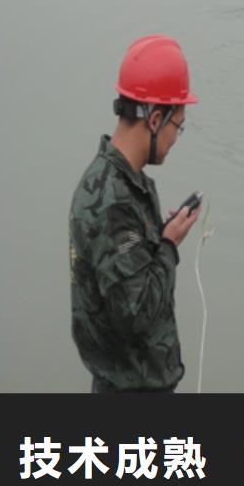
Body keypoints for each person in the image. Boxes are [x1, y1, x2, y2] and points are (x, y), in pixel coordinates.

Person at [69, 35, 200, 393]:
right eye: (178, 125)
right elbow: (136, 313)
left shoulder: (122, 182)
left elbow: (127, 271)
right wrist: (169, 247)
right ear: (155, 119)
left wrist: (159, 237)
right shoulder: (113, 203)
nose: (176, 138)